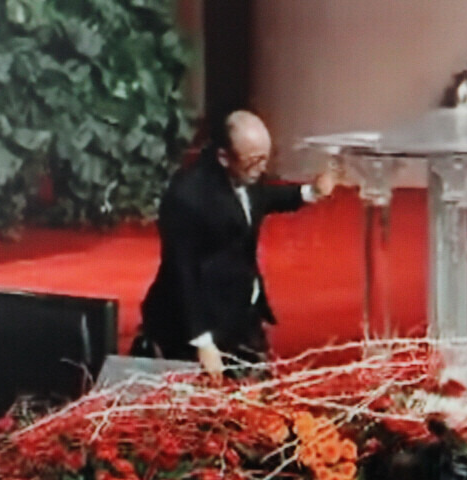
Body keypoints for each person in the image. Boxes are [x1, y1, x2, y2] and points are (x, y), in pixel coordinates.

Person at [131, 110, 338, 375]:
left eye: (266, 158)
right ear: (224, 157)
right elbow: (182, 271)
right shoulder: (188, 196)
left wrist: (310, 192)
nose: (261, 168)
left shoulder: (244, 174)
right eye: (254, 161)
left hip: (240, 313)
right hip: (194, 322)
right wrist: (203, 342)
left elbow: (263, 197)